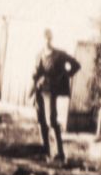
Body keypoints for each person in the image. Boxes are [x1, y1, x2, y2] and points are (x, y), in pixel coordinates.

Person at [32, 28, 80, 162]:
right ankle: (45, 150)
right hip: (40, 90)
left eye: (48, 38)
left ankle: (60, 152)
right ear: (42, 39)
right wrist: (35, 79)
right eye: (44, 38)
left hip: (51, 90)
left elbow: (76, 65)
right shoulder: (39, 54)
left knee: (51, 120)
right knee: (41, 121)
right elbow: (37, 73)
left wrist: (64, 76)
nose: (46, 40)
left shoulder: (59, 54)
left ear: (51, 38)